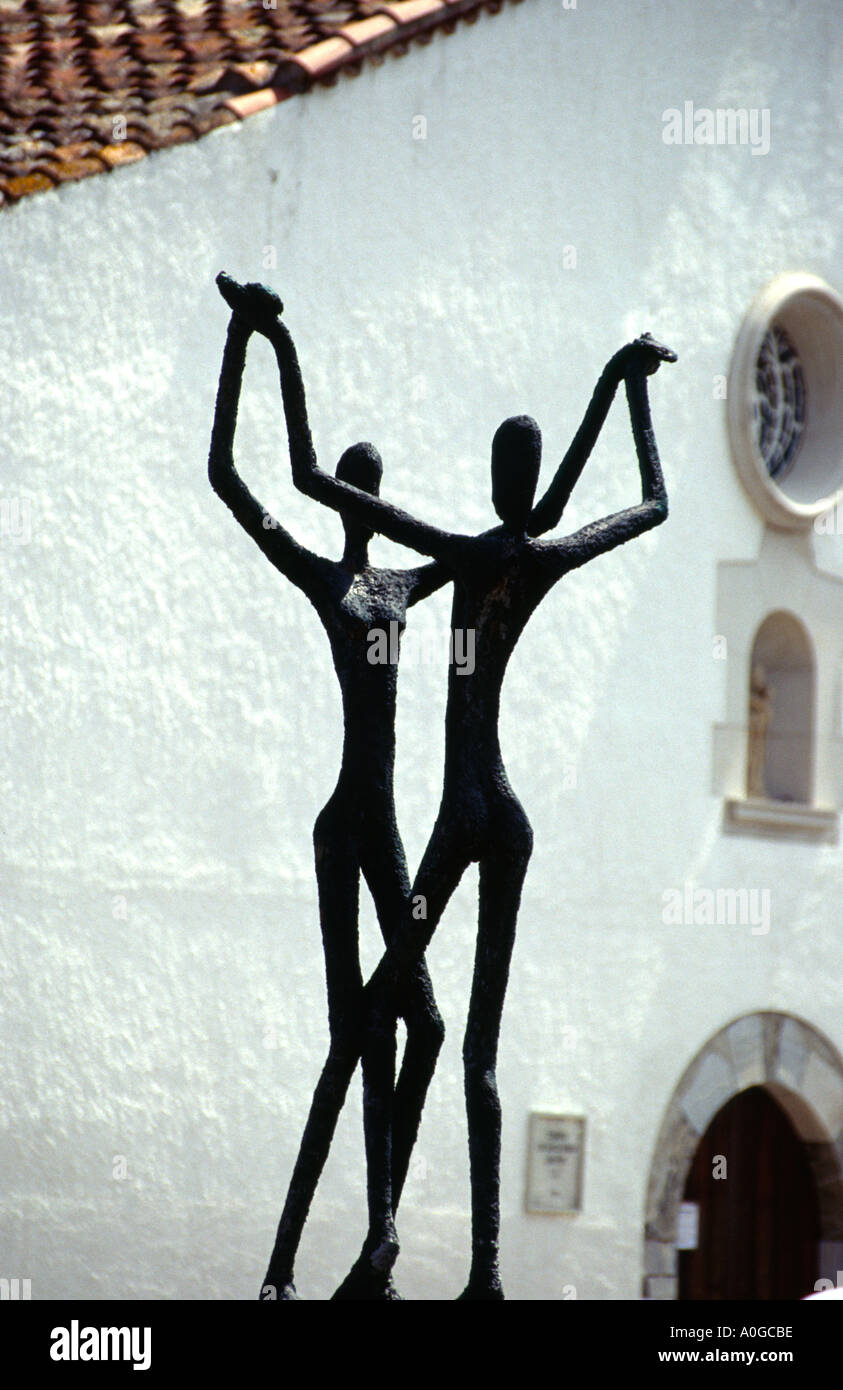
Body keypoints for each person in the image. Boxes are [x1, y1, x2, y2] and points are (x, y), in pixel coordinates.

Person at [239, 277, 676, 1298]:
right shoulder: (534, 555)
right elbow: (646, 504)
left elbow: (311, 477)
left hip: (455, 821)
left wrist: (269, 343)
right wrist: (623, 386)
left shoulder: (455, 554)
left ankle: (360, 1243)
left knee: (386, 1011)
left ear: (491, 477)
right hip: (509, 820)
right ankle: (480, 1275)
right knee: (473, 1051)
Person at [209, 275, 448, 1299]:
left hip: (381, 828)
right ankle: (288, 1268)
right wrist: (246, 340)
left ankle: (375, 1243)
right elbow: (228, 476)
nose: (369, 505)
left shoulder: (396, 587)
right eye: (368, 490)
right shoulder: (336, 581)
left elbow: (492, 549)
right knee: (359, 1035)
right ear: (359, 499)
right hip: (346, 828)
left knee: (418, 1028)